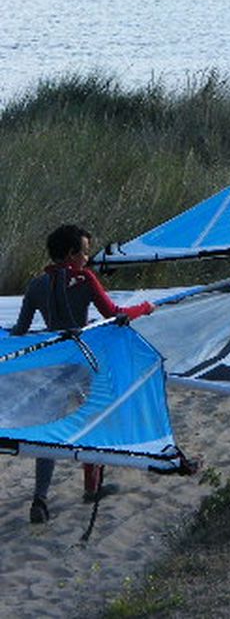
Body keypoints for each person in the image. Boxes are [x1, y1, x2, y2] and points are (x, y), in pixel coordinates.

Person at [12, 224, 156, 524]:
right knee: (97, 417)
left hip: (52, 370)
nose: (87, 259)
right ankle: (92, 487)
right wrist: (145, 307)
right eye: (84, 252)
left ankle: (40, 499)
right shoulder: (84, 279)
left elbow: (19, 332)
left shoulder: (36, 285)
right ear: (70, 254)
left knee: (48, 436)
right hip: (81, 367)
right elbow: (115, 314)